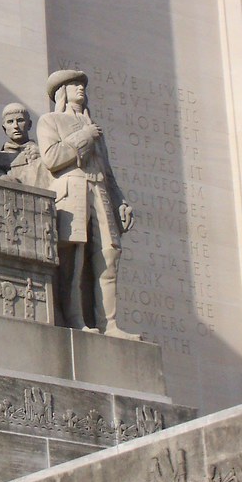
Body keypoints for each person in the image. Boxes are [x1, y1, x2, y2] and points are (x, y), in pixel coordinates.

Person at [36, 70, 139, 340]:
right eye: (73, 85)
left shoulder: (95, 128)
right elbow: (52, 158)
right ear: (62, 92)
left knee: (109, 254)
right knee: (75, 257)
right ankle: (75, 318)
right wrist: (84, 136)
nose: (80, 88)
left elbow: (107, 170)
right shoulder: (51, 120)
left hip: (99, 190)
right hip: (72, 190)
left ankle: (110, 323)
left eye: (82, 85)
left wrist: (121, 201)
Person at [0, 102, 44, 185]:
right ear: (4, 128)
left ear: (29, 124)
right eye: (10, 122)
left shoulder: (42, 153)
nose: (15, 126)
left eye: (20, 120)